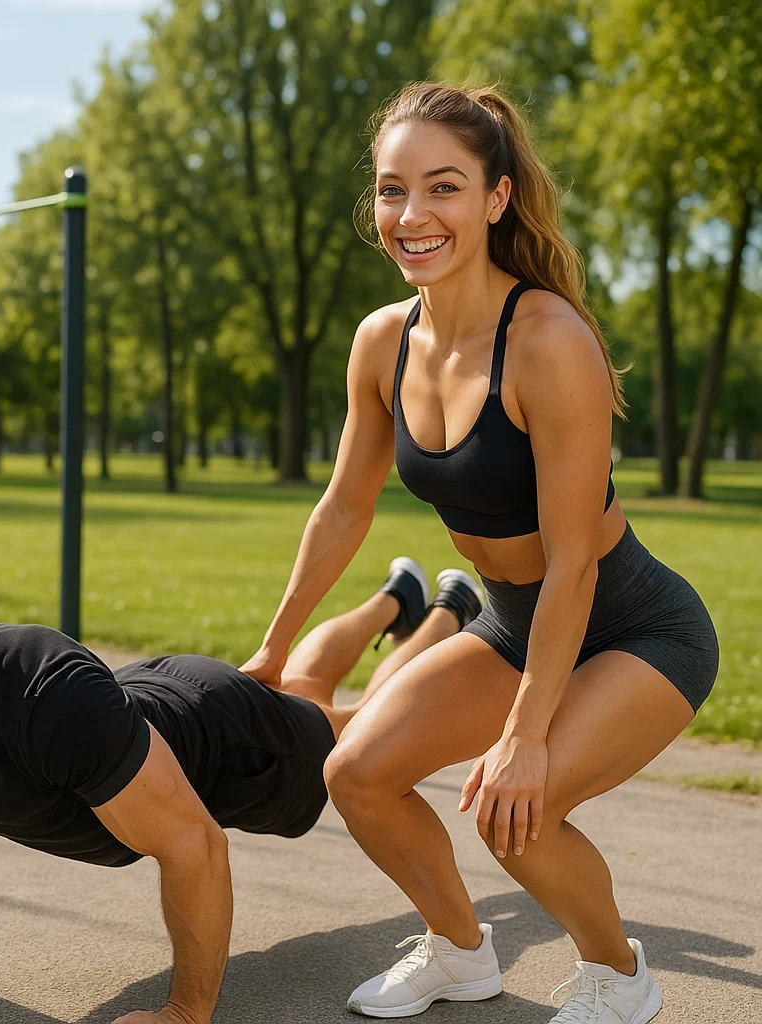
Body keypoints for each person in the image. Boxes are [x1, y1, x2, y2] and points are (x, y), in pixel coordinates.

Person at [240, 82, 719, 1023]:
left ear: (497, 198)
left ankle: (621, 979)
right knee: (358, 774)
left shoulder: (548, 341)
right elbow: (343, 507)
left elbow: (576, 563)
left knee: (515, 812)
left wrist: (527, 735)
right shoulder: (384, 340)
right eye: (391, 190)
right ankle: (462, 955)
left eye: (443, 188)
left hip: (635, 626)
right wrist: (273, 643)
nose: (412, 216)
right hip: (510, 620)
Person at [0, 505, 483, 1024]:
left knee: (354, 734)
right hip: (142, 707)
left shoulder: (42, 699)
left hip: (218, 737)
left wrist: (186, 1013)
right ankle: (401, 598)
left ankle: (450, 616)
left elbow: (195, 846)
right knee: (304, 694)